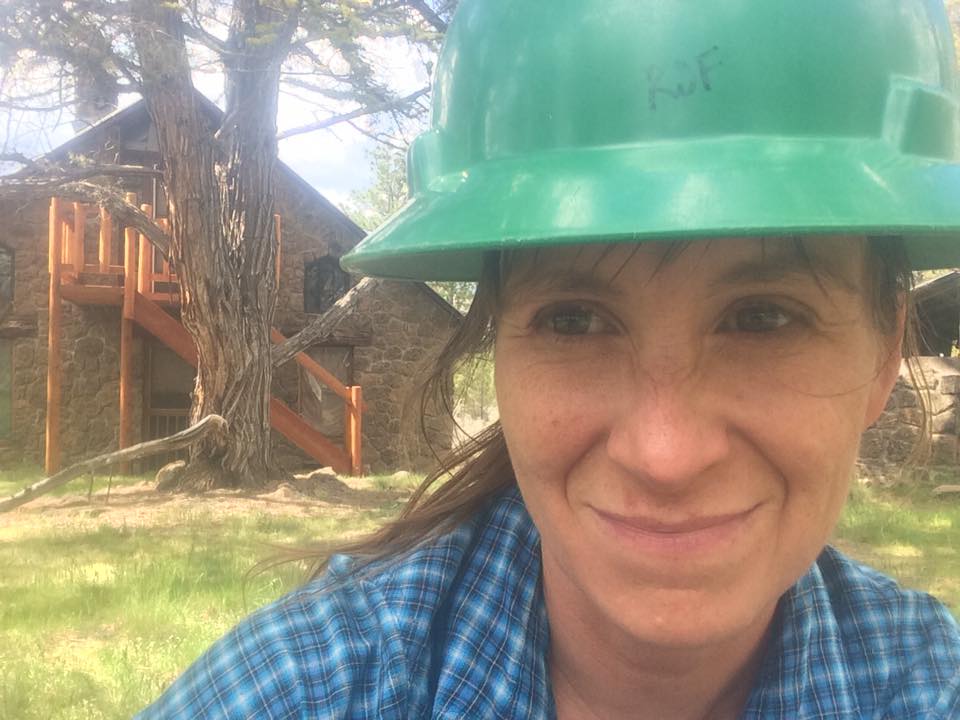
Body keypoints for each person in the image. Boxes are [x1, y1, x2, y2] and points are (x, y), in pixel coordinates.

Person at [138, 0, 960, 717]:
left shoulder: (931, 685)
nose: (665, 454)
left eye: (764, 318)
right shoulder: (312, 692)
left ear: (886, 351)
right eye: (575, 320)